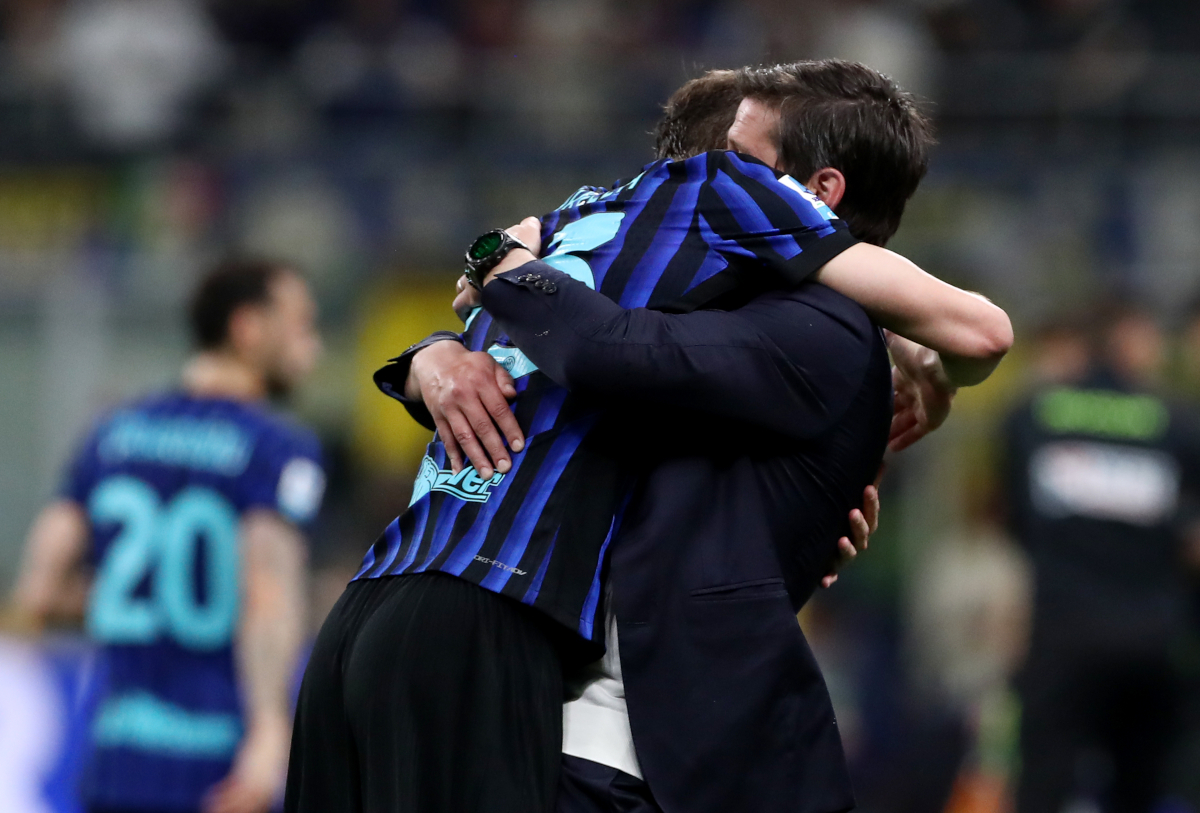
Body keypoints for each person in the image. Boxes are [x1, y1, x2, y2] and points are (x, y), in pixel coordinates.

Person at [285, 61, 1011, 813]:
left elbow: (613, 348)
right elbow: (619, 352)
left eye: (741, 154)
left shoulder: (580, 236)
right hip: (508, 635)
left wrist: (453, 323)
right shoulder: (692, 249)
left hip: (380, 605)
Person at [13, 260, 325, 813]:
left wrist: (142, 595)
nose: (313, 347)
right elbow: (268, 594)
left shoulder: (110, 434)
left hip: (113, 754)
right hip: (217, 763)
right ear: (248, 328)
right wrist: (270, 733)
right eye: (300, 325)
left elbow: (37, 593)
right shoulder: (277, 449)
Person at [1003, 303, 1198, 813]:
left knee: (1044, 785)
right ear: (1132, 341)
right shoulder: (1175, 420)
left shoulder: (1034, 413)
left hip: (1062, 635)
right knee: (1142, 791)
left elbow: (1016, 517)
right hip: (1151, 638)